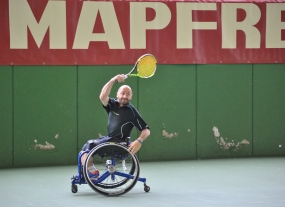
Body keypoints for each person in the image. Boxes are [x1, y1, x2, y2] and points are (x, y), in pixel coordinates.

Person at [80, 74, 150, 179]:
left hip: (120, 143)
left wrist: (139, 141)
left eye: (128, 94)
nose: (125, 96)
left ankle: (91, 174)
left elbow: (146, 130)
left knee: (89, 146)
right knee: (85, 147)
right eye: (123, 93)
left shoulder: (132, 111)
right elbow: (102, 96)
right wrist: (113, 80)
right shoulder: (112, 104)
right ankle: (89, 171)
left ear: (131, 96)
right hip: (110, 139)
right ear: (117, 94)